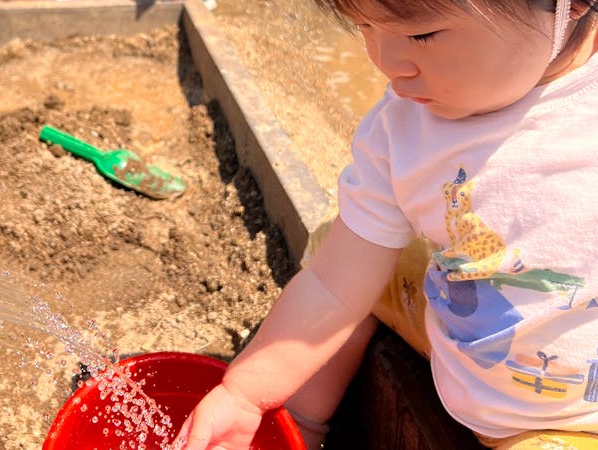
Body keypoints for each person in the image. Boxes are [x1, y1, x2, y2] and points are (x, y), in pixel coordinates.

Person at [175, 0, 598, 448]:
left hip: (563, 418)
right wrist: (244, 394)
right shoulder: (400, 128)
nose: (386, 63)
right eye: (364, 27)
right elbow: (333, 286)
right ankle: (296, 419)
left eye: (421, 35)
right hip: (461, 321)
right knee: (347, 248)